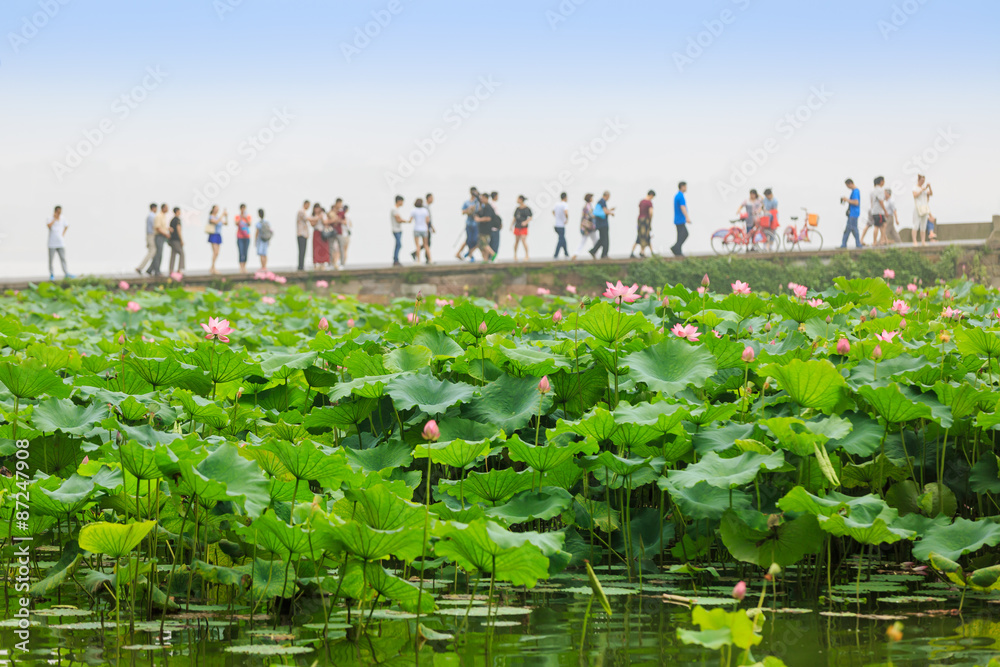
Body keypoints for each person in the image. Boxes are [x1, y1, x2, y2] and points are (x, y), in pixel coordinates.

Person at [46, 205, 74, 280]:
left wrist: (63, 234)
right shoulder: (50, 218)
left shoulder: (63, 218)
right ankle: (52, 274)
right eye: (58, 212)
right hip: (52, 243)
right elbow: (48, 226)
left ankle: (66, 273)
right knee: (51, 260)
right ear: (55, 211)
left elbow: (67, 226)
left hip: (60, 243)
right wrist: (54, 219)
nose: (59, 214)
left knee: (63, 258)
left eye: (60, 212)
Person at [861, 176, 888, 246]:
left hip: (872, 210)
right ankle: (875, 242)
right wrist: (885, 211)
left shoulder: (872, 190)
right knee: (877, 226)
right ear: (881, 181)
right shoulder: (880, 190)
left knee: (883, 224)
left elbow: (871, 201)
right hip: (878, 211)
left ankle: (882, 240)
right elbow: (881, 201)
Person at [455, 187, 480, 261]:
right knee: (469, 240)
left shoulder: (478, 202)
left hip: (476, 224)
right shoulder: (467, 202)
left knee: (475, 240)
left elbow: (480, 210)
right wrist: (469, 210)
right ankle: (470, 255)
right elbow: (463, 212)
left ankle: (469, 253)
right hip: (469, 223)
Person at [590, 191, 614, 259]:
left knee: (602, 239)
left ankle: (593, 251)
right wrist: (611, 213)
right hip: (603, 224)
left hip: (600, 224)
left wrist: (609, 210)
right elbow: (605, 211)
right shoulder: (602, 201)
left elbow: (602, 211)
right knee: (605, 239)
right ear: (607, 196)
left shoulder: (599, 201)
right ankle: (604, 254)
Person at [572, 193, 598, 259]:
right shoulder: (588, 206)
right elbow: (590, 215)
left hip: (587, 227)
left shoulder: (587, 206)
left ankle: (576, 254)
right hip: (589, 227)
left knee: (586, 241)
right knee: (594, 241)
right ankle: (594, 253)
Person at [631, 190, 655, 259]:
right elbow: (651, 212)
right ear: (651, 195)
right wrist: (650, 221)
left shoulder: (641, 202)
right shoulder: (649, 203)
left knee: (641, 236)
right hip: (645, 220)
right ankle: (642, 252)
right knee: (645, 236)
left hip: (639, 220)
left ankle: (640, 251)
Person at [474, 192, 497, 261]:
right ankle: (485, 259)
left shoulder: (488, 207)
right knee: (483, 245)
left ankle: (493, 254)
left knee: (483, 244)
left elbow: (488, 218)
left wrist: (479, 219)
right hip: (484, 229)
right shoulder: (484, 206)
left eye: (482, 198)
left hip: (486, 229)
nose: (481, 199)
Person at [135, 203, 158, 275]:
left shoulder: (150, 216)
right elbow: (154, 227)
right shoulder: (152, 216)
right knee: (152, 251)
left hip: (149, 236)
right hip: (151, 235)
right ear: (153, 208)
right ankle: (140, 267)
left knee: (153, 252)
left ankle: (150, 268)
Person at [840, 178, 861, 249]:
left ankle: (858, 244)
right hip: (852, 213)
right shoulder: (854, 191)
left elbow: (856, 202)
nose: (847, 187)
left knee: (853, 229)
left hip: (854, 213)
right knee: (849, 229)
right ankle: (844, 244)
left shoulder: (855, 191)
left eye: (847, 186)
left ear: (850, 184)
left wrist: (846, 200)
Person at [150, 203, 170, 276]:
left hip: (162, 236)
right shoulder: (159, 216)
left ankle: (150, 269)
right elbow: (158, 228)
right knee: (159, 254)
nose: (168, 209)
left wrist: (168, 229)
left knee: (158, 253)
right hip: (159, 236)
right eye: (167, 208)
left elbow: (162, 226)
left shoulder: (163, 216)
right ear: (163, 208)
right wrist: (166, 234)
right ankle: (156, 270)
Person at [913, 175, 933, 246]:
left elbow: (931, 194)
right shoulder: (915, 187)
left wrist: (929, 187)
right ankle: (914, 241)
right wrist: (922, 190)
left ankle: (923, 241)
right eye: (921, 180)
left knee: (923, 225)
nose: (922, 182)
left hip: (924, 208)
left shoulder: (924, 188)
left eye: (923, 180)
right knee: (916, 224)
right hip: (917, 208)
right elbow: (915, 195)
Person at [671, 182, 691, 256]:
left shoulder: (677, 195)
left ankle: (678, 250)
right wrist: (687, 217)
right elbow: (683, 207)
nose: (686, 188)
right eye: (685, 187)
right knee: (684, 234)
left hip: (678, 219)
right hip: (680, 219)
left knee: (681, 235)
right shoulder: (680, 196)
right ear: (682, 187)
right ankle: (675, 248)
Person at [207, 205, 228, 274]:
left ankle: (212, 267)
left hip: (218, 235)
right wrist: (222, 215)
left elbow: (226, 223)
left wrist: (226, 216)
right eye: (216, 209)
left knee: (217, 253)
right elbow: (215, 222)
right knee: (215, 252)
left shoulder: (218, 217)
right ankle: (213, 268)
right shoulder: (211, 216)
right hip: (213, 235)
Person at [511, 195, 532, 261]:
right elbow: (514, 218)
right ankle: (515, 255)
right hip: (517, 226)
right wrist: (511, 225)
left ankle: (527, 255)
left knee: (523, 240)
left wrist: (526, 222)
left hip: (524, 227)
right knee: (516, 241)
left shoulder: (527, 208)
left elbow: (530, 217)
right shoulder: (517, 209)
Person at [296, 200, 315, 271]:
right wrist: (318, 217)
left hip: (303, 234)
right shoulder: (301, 211)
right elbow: (308, 219)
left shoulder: (302, 211)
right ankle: (300, 266)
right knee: (302, 250)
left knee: (303, 251)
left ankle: (301, 265)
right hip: (301, 234)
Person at [412, 197, 432, 264]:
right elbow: (428, 220)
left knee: (417, 245)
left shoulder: (414, 210)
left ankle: (418, 261)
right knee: (426, 245)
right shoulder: (425, 210)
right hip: (424, 229)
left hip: (417, 228)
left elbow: (410, 219)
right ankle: (430, 259)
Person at [326, 198, 345, 269]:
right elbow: (327, 221)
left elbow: (345, 222)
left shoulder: (342, 213)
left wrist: (338, 220)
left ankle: (342, 264)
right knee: (330, 248)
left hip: (339, 232)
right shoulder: (331, 211)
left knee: (341, 247)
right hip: (332, 232)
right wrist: (333, 220)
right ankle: (330, 264)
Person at [390, 195, 409, 266]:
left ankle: (396, 259)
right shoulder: (394, 209)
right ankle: (395, 260)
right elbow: (398, 220)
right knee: (398, 244)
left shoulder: (396, 209)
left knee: (398, 244)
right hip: (396, 230)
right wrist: (407, 221)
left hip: (398, 229)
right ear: (399, 201)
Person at [234, 203, 252, 273]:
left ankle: (244, 267)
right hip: (240, 237)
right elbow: (236, 223)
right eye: (242, 208)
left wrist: (245, 218)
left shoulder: (248, 216)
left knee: (245, 252)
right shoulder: (237, 217)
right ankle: (241, 267)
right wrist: (241, 217)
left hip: (247, 237)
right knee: (241, 252)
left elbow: (250, 224)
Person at [312, 203, 330, 269]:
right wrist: (317, 218)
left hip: (322, 233)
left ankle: (323, 263)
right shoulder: (313, 215)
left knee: (323, 247)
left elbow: (326, 222)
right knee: (316, 248)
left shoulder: (323, 214)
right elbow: (312, 224)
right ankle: (316, 263)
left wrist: (321, 217)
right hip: (316, 232)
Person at [168, 207, 185, 275]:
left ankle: (171, 270)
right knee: (181, 253)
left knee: (173, 254)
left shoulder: (172, 220)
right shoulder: (177, 220)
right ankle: (179, 269)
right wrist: (181, 240)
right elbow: (179, 230)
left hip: (172, 239)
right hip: (176, 239)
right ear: (177, 211)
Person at [553, 192, 569, 259]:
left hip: (556, 224)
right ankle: (556, 254)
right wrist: (566, 219)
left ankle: (566, 253)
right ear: (565, 197)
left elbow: (553, 211)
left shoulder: (557, 204)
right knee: (561, 240)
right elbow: (566, 212)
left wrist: (557, 216)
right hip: (561, 225)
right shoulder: (564, 204)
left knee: (563, 239)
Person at [489, 191, 502, 258]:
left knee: (492, 242)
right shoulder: (493, 205)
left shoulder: (491, 204)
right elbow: (496, 217)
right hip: (494, 227)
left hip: (492, 227)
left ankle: (491, 257)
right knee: (494, 243)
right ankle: (493, 257)